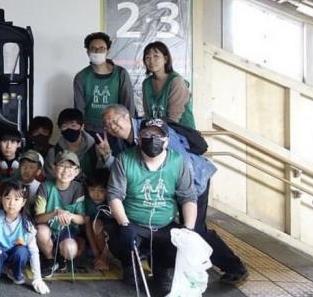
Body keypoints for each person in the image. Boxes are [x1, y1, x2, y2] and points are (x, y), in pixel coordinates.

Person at [99, 104, 247, 284]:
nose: (112, 126)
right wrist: (107, 156)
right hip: (166, 186)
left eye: (115, 121)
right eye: (108, 124)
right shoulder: (122, 141)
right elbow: (127, 170)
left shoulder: (153, 131)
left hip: (193, 181)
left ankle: (234, 267)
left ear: (126, 116)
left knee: (194, 230)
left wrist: (178, 197)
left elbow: (182, 163)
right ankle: (159, 266)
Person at [107, 119, 197, 293]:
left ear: (167, 140)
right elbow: (114, 194)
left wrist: (188, 229)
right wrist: (124, 224)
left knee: (183, 244)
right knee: (119, 238)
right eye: (147, 134)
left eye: (158, 135)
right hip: (134, 222)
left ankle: (161, 268)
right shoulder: (125, 159)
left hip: (165, 224)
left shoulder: (178, 162)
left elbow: (188, 197)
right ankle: (131, 265)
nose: (152, 139)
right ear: (139, 137)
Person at [0, 182, 50, 295]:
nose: (11, 203)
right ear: (1, 199)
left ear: (23, 202)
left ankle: (14, 272)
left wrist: (38, 278)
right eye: (7, 198)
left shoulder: (27, 225)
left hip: (14, 255)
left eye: (17, 199)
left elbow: (34, 252)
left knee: (22, 251)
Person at [34, 150, 88, 277]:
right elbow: (37, 218)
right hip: (48, 228)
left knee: (70, 250)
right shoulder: (45, 187)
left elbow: (83, 219)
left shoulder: (78, 188)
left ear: (77, 172)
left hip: (67, 231)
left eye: (70, 167)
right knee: (41, 231)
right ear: (54, 168)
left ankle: (61, 258)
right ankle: (49, 259)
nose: (65, 170)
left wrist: (70, 216)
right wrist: (56, 213)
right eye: (62, 165)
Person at [73, 32, 136, 136]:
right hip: (90, 130)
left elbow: (128, 104)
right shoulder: (81, 77)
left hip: (116, 128)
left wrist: (129, 130)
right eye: (93, 48)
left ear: (108, 51)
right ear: (88, 52)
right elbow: (79, 109)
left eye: (101, 48)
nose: (97, 52)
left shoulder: (120, 74)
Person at [142, 41, 196, 129]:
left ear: (166, 59)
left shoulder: (176, 81)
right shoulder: (146, 83)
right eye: (147, 57)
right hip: (158, 133)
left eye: (156, 56)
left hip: (181, 134)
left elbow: (173, 119)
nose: (151, 61)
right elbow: (148, 115)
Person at [48, 108, 97, 181]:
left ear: (82, 127)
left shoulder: (95, 148)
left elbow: (101, 174)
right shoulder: (54, 152)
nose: (69, 129)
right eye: (64, 126)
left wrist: (107, 156)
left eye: (73, 125)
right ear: (60, 128)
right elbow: (50, 178)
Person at [82, 168, 114, 272]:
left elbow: (113, 233)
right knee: (95, 224)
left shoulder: (113, 202)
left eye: (101, 191)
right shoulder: (88, 202)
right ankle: (100, 258)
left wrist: (104, 256)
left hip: (112, 242)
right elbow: (87, 227)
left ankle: (106, 259)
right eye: (92, 190)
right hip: (94, 240)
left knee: (99, 225)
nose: (96, 195)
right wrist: (97, 254)